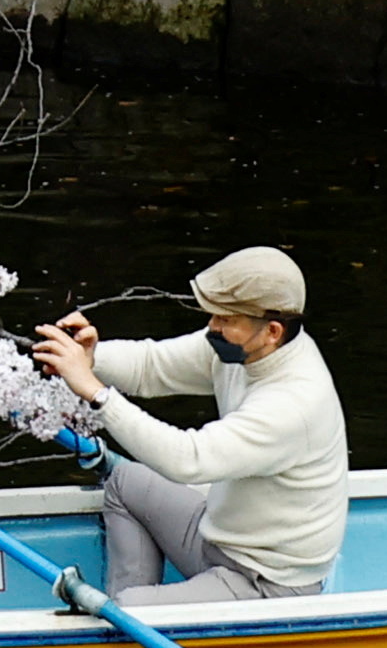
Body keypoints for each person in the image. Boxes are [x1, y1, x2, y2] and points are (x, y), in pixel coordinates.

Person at [30, 242, 348, 606]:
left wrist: (96, 393)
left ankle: (128, 612)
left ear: (272, 331)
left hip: (264, 580)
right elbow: (152, 366)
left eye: (225, 319)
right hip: (218, 536)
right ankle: (128, 611)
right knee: (124, 482)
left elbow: (188, 460)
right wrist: (90, 358)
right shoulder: (244, 347)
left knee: (128, 609)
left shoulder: (294, 403)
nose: (212, 327)